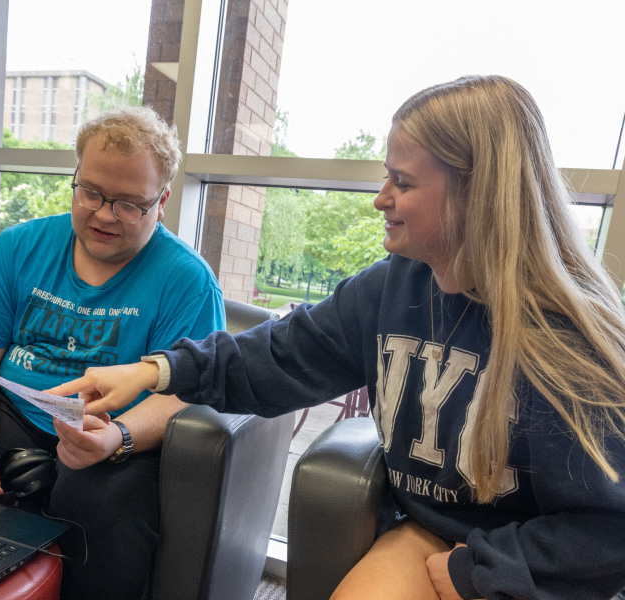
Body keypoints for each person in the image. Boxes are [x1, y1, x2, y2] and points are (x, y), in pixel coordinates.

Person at [46, 76, 625, 600]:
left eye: (402, 182)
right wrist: (154, 372)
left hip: (529, 561)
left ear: (476, 195)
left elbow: (606, 532)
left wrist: (479, 574)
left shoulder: (567, 339)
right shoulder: (388, 291)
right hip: (434, 533)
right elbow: (276, 356)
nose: (381, 199)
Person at [0, 105, 225, 599]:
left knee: (101, 501)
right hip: (15, 408)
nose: (103, 214)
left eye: (129, 204)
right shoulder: (18, 248)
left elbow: (183, 393)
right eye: (90, 192)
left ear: (162, 202)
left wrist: (119, 437)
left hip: (115, 430)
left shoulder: (188, 280)